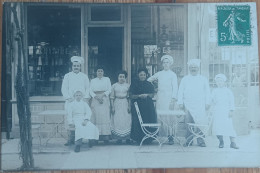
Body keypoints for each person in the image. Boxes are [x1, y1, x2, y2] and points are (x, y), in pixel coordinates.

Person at [177, 59, 211, 147]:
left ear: (198, 68)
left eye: (195, 67)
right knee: (188, 123)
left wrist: (207, 102)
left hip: (200, 104)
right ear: (189, 68)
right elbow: (180, 91)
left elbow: (207, 91)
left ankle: (201, 140)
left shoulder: (203, 79)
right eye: (191, 67)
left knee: (200, 122)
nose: (193, 69)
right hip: (188, 105)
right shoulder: (185, 79)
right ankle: (188, 140)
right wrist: (180, 102)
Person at [147, 55, 178, 145]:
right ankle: (161, 135)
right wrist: (155, 88)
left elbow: (175, 88)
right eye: (164, 62)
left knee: (169, 117)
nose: (165, 64)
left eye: (167, 62)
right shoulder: (159, 73)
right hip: (160, 97)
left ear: (170, 64)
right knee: (161, 116)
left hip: (169, 98)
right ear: (162, 64)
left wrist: (173, 99)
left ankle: (170, 136)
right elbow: (149, 80)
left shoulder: (173, 75)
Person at [61, 56, 90, 146]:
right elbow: (64, 88)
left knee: (81, 120)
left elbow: (88, 88)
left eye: (78, 66)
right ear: (72, 67)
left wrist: (85, 98)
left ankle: (80, 139)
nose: (76, 67)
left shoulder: (84, 76)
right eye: (74, 66)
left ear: (80, 67)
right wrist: (68, 97)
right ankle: (70, 139)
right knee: (70, 120)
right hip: (70, 101)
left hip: (81, 102)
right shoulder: (67, 76)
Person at [129, 68, 157, 144]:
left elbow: (152, 94)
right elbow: (131, 95)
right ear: (138, 75)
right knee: (138, 121)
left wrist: (147, 95)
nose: (142, 76)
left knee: (148, 119)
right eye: (141, 75)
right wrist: (139, 96)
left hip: (148, 106)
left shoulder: (149, 84)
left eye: (144, 75)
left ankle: (149, 138)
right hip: (138, 105)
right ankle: (138, 139)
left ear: (146, 75)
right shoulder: (134, 84)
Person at [211, 74, 239, 149]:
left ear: (224, 82)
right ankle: (221, 141)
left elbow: (231, 102)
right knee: (218, 127)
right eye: (218, 81)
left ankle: (233, 143)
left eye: (221, 81)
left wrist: (231, 110)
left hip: (226, 111)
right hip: (217, 111)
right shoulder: (214, 91)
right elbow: (212, 101)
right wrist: (212, 109)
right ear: (216, 82)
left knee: (229, 126)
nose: (219, 83)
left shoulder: (228, 91)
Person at [89, 65, 112, 144]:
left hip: (104, 99)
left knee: (104, 117)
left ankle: (105, 137)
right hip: (95, 100)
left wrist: (103, 95)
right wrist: (96, 97)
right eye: (98, 71)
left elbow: (109, 89)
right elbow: (90, 91)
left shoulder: (107, 79)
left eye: (101, 71)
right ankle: (96, 137)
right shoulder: (92, 80)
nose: (100, 72)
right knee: (96, 118)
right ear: (96, 72)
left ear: (103, 72)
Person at [110, 70, 132, 144]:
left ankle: (127, 138)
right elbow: (112, 97)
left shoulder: (128, 86)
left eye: (123, 77)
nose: (121, 78)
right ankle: (118, 138)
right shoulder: (114, 86)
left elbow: (129, 97)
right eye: (120, 77)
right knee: (118, 120)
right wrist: (112, 107)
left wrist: (129, 106)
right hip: (117, 103)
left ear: (125, 78)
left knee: (127, 120)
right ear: (118, 77)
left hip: (125, 102)